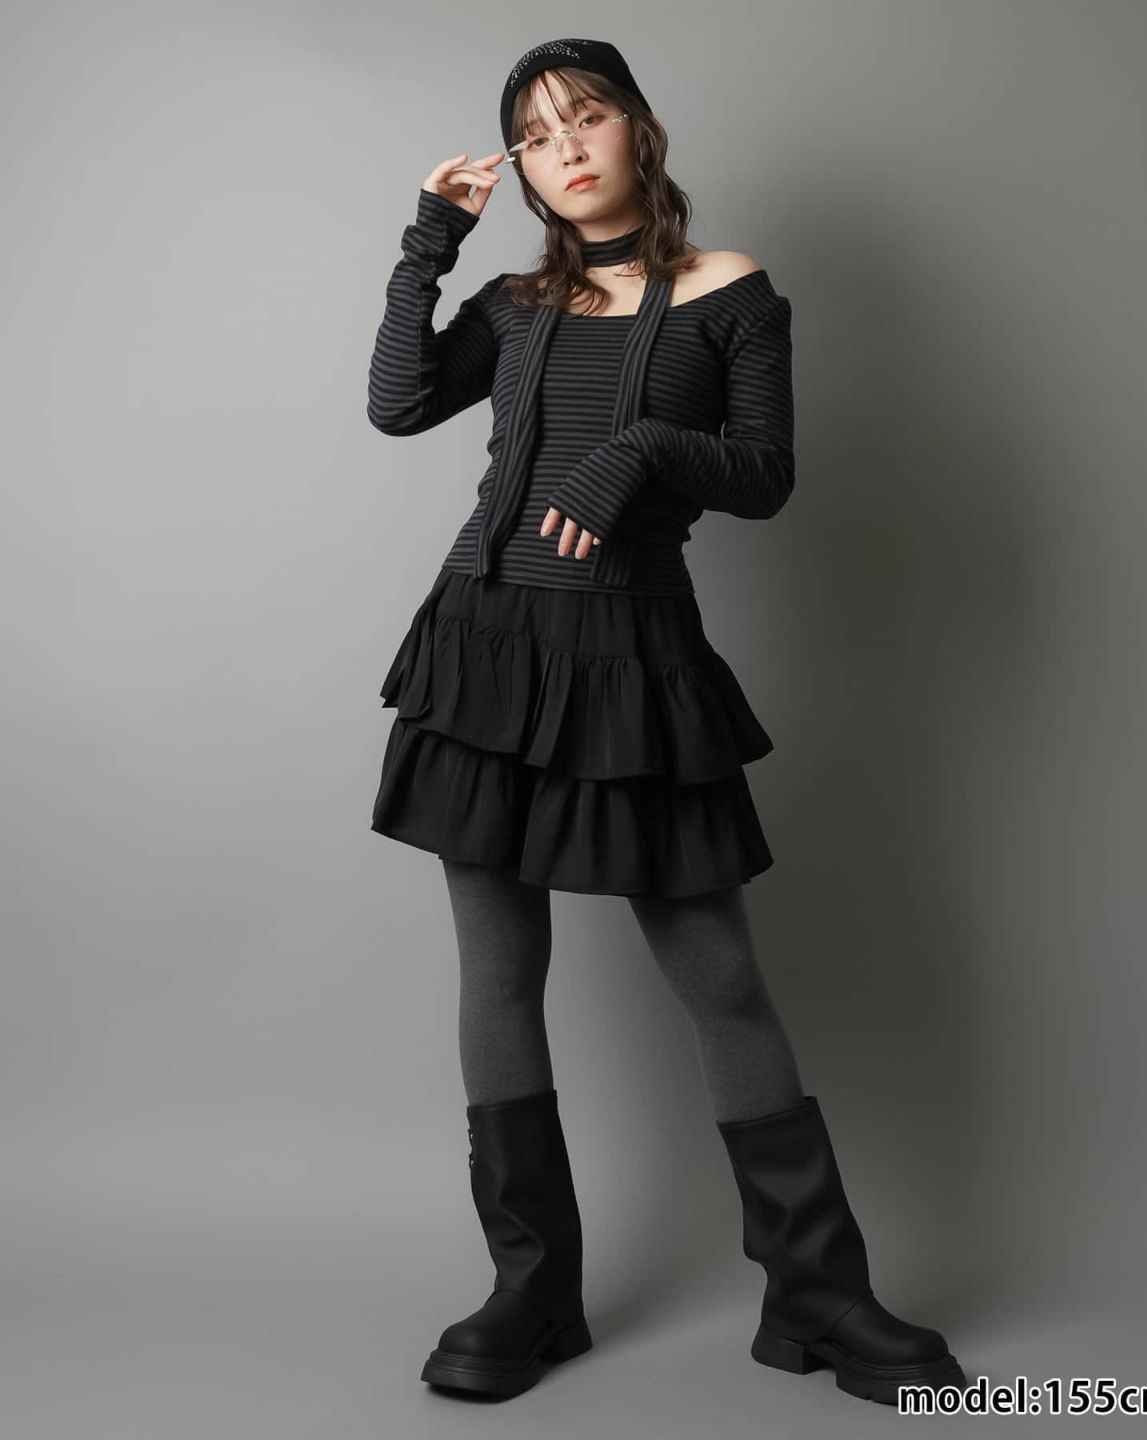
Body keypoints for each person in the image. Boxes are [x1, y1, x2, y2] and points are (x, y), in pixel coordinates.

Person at [366, 37, 967, 1408]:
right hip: (480, 646)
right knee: (497, 975)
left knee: (720, 977)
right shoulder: (518, 302)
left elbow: (764, 473)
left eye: (586, 116)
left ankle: (820, 1293)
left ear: (639, 128)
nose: (565, 147)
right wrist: (427, 246)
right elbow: (397, 404)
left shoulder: (730, 291)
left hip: (632, 655)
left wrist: (637, 451)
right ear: (520, 168)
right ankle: (533, 1293)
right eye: (535, 133)